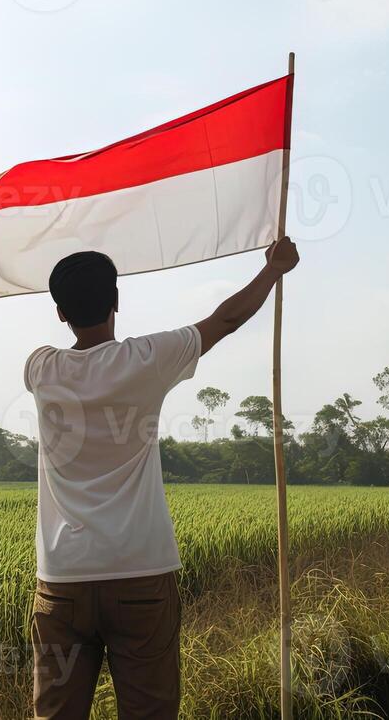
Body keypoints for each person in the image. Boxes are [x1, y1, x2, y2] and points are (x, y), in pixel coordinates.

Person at [23, 236, 301, 720]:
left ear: (61, 314)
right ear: (116, 301)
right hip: (139, 575)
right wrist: (272, 270)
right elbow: (226, 320)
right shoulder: (146, 359)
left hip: (63, 579)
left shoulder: (40, 367)